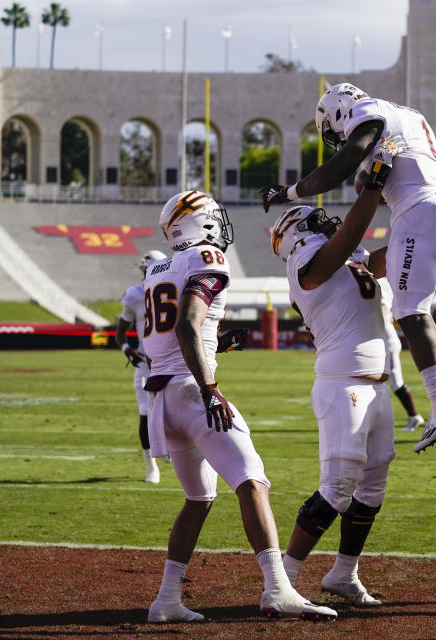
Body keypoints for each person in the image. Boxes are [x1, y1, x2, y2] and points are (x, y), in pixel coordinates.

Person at [141, 190, 336, 624]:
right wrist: (210, 387)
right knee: (252, 479)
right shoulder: (206, 256)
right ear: (199, 223)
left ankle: (167, 600)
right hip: (192, 393)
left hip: (161, 398)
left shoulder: (156, 269)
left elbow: (164, 338)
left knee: (198, 498)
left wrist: (215, 344)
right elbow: (188, 325)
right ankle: (278, 589)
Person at [260, 82, 436, 453]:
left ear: (338, 109)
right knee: (416, 311)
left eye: (334, 131)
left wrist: (288, 192)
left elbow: (339, 169)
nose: (339, 138)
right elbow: (365, 179)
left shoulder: (369, 114)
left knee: (411, 312)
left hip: (420, 211)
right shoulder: (407, 116)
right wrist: (370, 182)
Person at [270, 181, 395, 608]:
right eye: (315, 219)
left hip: (375, 385)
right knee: (338, 486)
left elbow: (389, 258)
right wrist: (374, 188)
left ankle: (343, 574)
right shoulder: (306, 262)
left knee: (372, 488)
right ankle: (283, 579)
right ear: (297, 232)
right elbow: (348, 239)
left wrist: (421, 223)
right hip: (344, 385)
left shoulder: (344, 258)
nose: (327, 222)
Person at [117, 250, 168, 484]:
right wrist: (128, 350)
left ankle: (168, 449)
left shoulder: (174, 291)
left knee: (176, 412)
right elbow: (120, 333)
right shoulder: (135, 294)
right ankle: (151, 467)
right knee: (146, 414)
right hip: (146, 364)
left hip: (171, 362)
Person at [379, 278, 425, 432]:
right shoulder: (382, 283)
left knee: (395, 382)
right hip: (380, 339)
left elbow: (382, 309)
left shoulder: (379, 285)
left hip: (385, 341)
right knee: (377, 383)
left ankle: (414, 416)